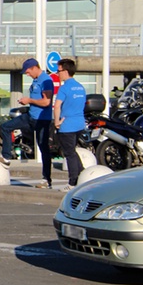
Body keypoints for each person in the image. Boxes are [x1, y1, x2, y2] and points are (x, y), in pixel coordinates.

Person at [0, 58, 54, 189]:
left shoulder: (46, 80)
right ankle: (6, 157)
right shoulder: (36, 80)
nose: (27, 75)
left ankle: (46, 179)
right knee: (5, 127)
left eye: (28, 72)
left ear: (34, 68)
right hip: (30, 116)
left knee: (43, 149)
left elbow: (46, 102)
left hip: (41, 119)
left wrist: (29, 100)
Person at [53, 58, 87, 192]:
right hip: (79, 123)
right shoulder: (80, 87)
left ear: (65, 71)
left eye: (58, 71)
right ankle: (82, 174)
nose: (57, 74)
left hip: (67, 125)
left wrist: (56, 122)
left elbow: (57, 106)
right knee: (73, 151)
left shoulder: (65, 88)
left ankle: (73, 182)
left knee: (69, 154)